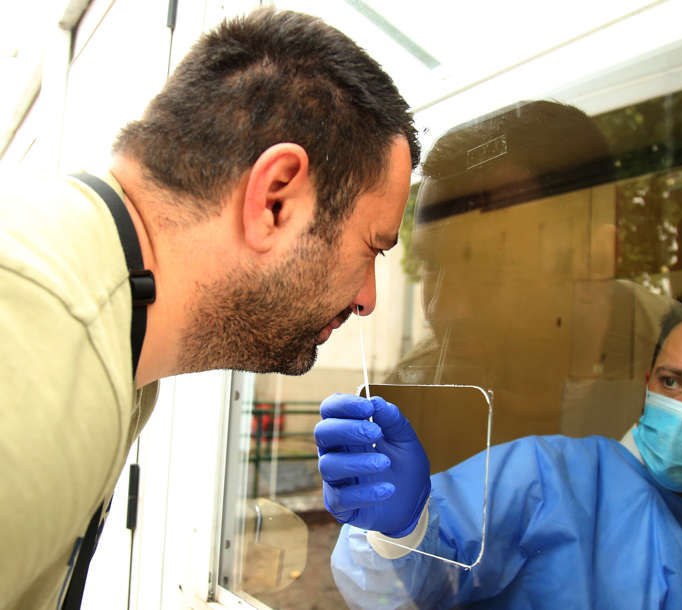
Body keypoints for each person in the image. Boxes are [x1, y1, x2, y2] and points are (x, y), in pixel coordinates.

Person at [0, 8, 419, 610]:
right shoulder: (39, 332)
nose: (368, 298)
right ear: (275, 200)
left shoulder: (114, 327)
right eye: (372, 247)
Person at [315, 305, 682, 608]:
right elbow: (399, 592)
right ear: (648, 383)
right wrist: (401, 530)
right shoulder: (545, 478)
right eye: (672, 382)